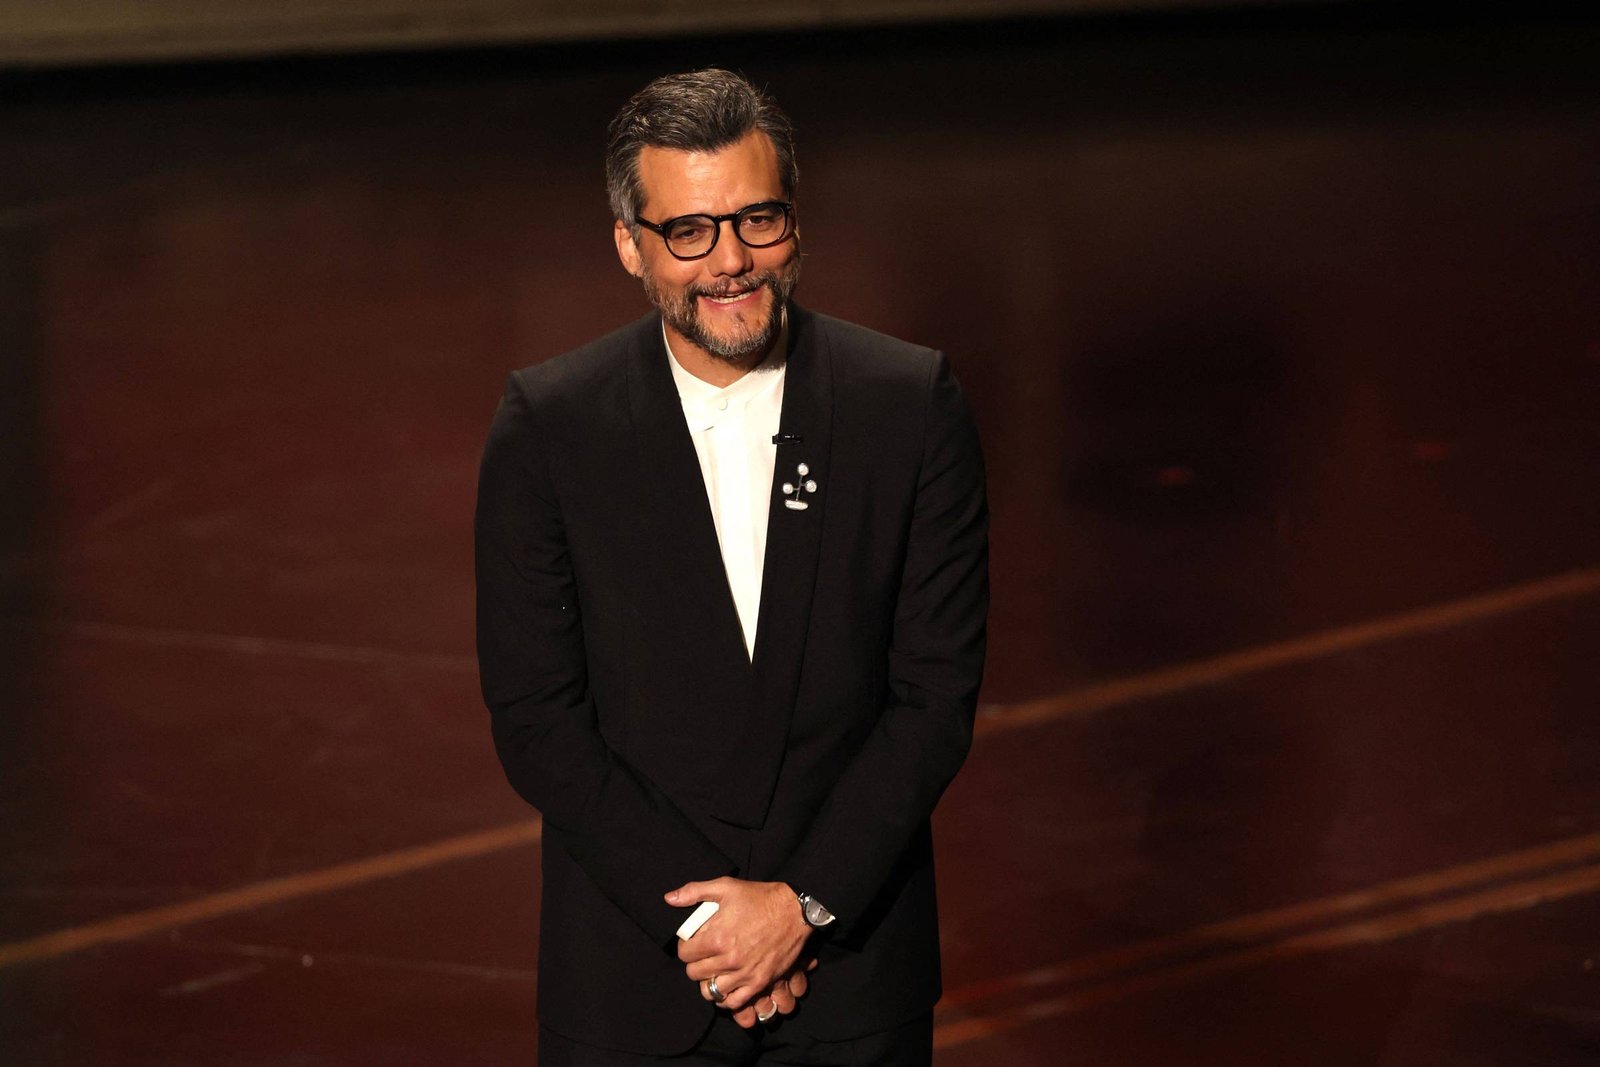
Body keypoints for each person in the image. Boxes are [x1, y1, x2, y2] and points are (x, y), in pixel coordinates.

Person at [475, 68, 988, 1065]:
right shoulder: (551, 426)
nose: (731, 260)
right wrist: (718, 930)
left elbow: (933, 698)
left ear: (794, 219)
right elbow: (537, 717)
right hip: (634, 983)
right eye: (689, 231)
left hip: (852, 983)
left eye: (758, 219)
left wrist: (801, 906)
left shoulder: (908, 403)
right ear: (630, 244)